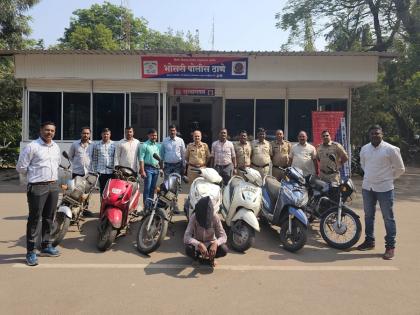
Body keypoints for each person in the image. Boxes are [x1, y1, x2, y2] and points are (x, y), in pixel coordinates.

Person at [16, 121, 61, 266]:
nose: (50, 133)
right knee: (35, 219)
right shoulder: (32, 146)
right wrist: (34, 177)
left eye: (52, 131)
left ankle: (46, 245)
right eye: (47, 130)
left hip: (53, 186)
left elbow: (57, 163)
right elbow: (21, 167)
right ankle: (30, 251)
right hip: (37, 187)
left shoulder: (55, 146)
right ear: (41, 130)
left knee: (49, 217)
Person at [357, 125, 405, 260]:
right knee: (368, 216)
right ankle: (369, 241)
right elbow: (363, 165)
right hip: (368, 188)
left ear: (382, 134)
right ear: (369, 135)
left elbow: (400, 168)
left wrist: (389, 177)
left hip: (385, 189)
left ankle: (390, 247)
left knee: (388, 218)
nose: (375, 135)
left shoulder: (391, 149)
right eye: (372, 133)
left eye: (377, 133)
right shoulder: (365, 149)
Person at [184, 196, 228, 267]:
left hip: (210, 244)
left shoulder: (215, 218)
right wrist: (199, 244)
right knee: (188, 249)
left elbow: (223, 236)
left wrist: (216, 243)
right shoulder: (194, 217)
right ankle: (197, 258)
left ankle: (211, 258)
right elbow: (186, 237)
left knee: (224, 249)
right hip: (197, 246)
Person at [68, 126, 94, 216]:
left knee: (86, 193)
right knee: (75, 192)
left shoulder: (93, 145)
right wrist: (75, 165)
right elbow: (70, 156)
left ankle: (84, 210)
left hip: (88, 174)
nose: (85, 135)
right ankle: (74, 210)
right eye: (84, 133)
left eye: (87, 133)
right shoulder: (75, 144)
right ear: (81, 134)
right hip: (77, 172)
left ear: (90, 134)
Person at [139, 128, 161, 208]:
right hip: (148, 169)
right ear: (148, 136)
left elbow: (159, 158)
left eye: (155, 135)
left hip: (156, 169)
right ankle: (146, 207)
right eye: (152, 135)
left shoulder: (158, 146)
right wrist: (142, 170)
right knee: (147, 188)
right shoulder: (144, 145)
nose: (154, 137)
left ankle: (150, 205)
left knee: (153, 188)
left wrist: (161, 168)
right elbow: (141, 158)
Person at [91, 128, 115, 196]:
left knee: (111, 190)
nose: (106, 136)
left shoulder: (114, 145)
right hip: (101, 172)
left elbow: (115, 158)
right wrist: (95, 171)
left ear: (110, 135)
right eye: (104, 134)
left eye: (107, 134)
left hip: (111, 171)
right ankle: (102, 204)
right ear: (101, 135)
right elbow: (95, 159)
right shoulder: (97, 145)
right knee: (102, 190)